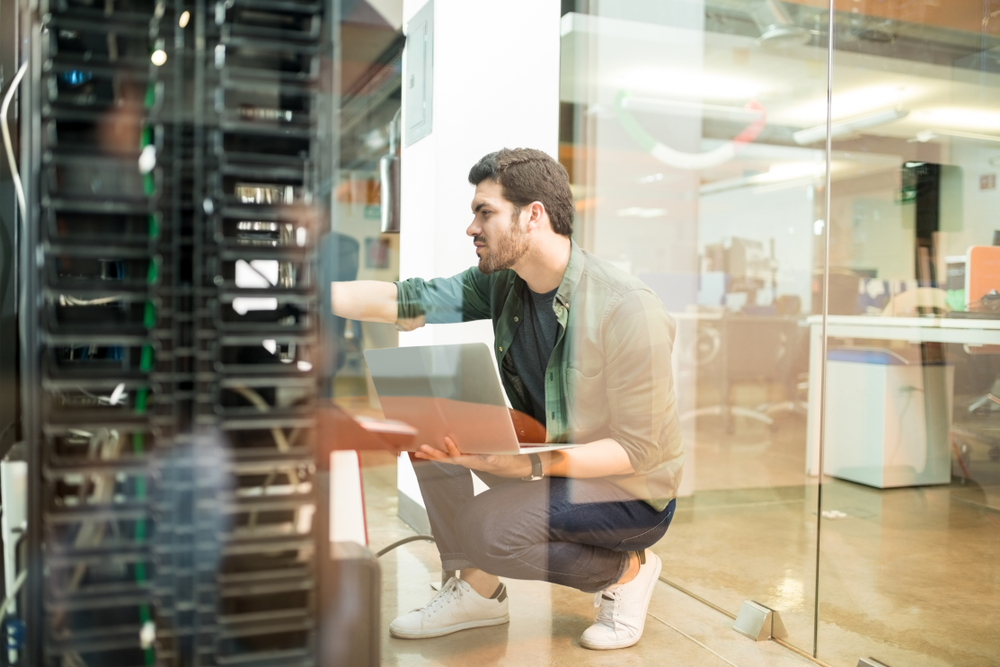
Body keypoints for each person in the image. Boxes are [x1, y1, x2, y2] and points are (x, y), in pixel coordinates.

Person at [331, 148, 683, 650]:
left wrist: (528, 469)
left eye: (485, 212)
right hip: (551, 457)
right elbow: (404, 299)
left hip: (628, 491)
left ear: (533, 215)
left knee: (487, 529)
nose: (471, 227)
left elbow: (638, 450)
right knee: (429, 421)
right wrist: (303, 295)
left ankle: (626, 569)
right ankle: (479, 592)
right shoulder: (503, 283)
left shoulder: (627, 310)